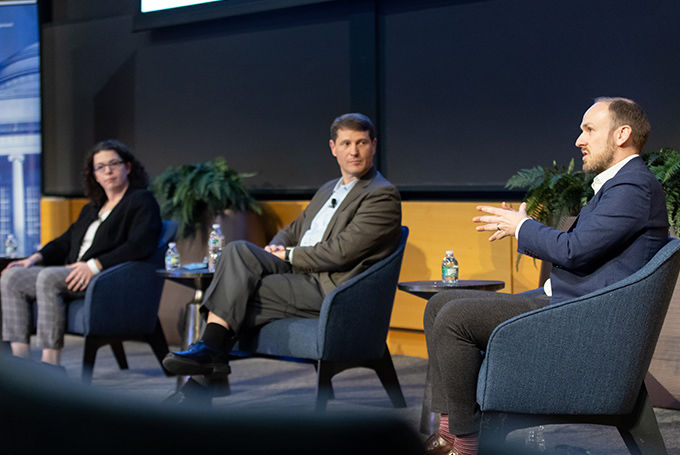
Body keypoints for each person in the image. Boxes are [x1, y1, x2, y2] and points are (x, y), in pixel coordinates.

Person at [423, 98, 668, 455]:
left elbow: (574, 249)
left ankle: (466, 442)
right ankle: (448, 432)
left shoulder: (633, 187)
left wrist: (523, 227)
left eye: (588, 130)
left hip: (583, 318)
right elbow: (581, 250)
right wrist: (522, 229)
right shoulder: (621, 185)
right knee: (440, 304)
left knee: (455, 318)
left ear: (622, 134)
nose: (578, 141)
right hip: (568, 301)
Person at [162, 113, 402, 378]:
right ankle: (209, 353)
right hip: (297, 273)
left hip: (329, 287)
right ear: (333, 148)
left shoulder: (381, 195)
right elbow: (292, 231)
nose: (354, 152)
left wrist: (287, 255)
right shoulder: (327, 189)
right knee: (236, 250)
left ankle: (205, 364)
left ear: (374, 145)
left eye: (361, 143)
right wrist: (273, 251)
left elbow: (341, 252)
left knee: (238, 293)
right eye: (346, 143)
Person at [1, 140, 162, 367]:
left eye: (114, 164)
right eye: (101, 166)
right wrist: (34, 258)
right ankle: (20, 361)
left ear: (127, 167)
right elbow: (65, 241)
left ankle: (51, 364)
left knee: (48, 278)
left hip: (104, 277)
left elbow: (141, 244)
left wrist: (95, 265)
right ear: (94, 175)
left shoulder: (141, 201)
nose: (108, 170)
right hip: (73, 272)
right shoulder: (93, 207)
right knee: (11, 277)